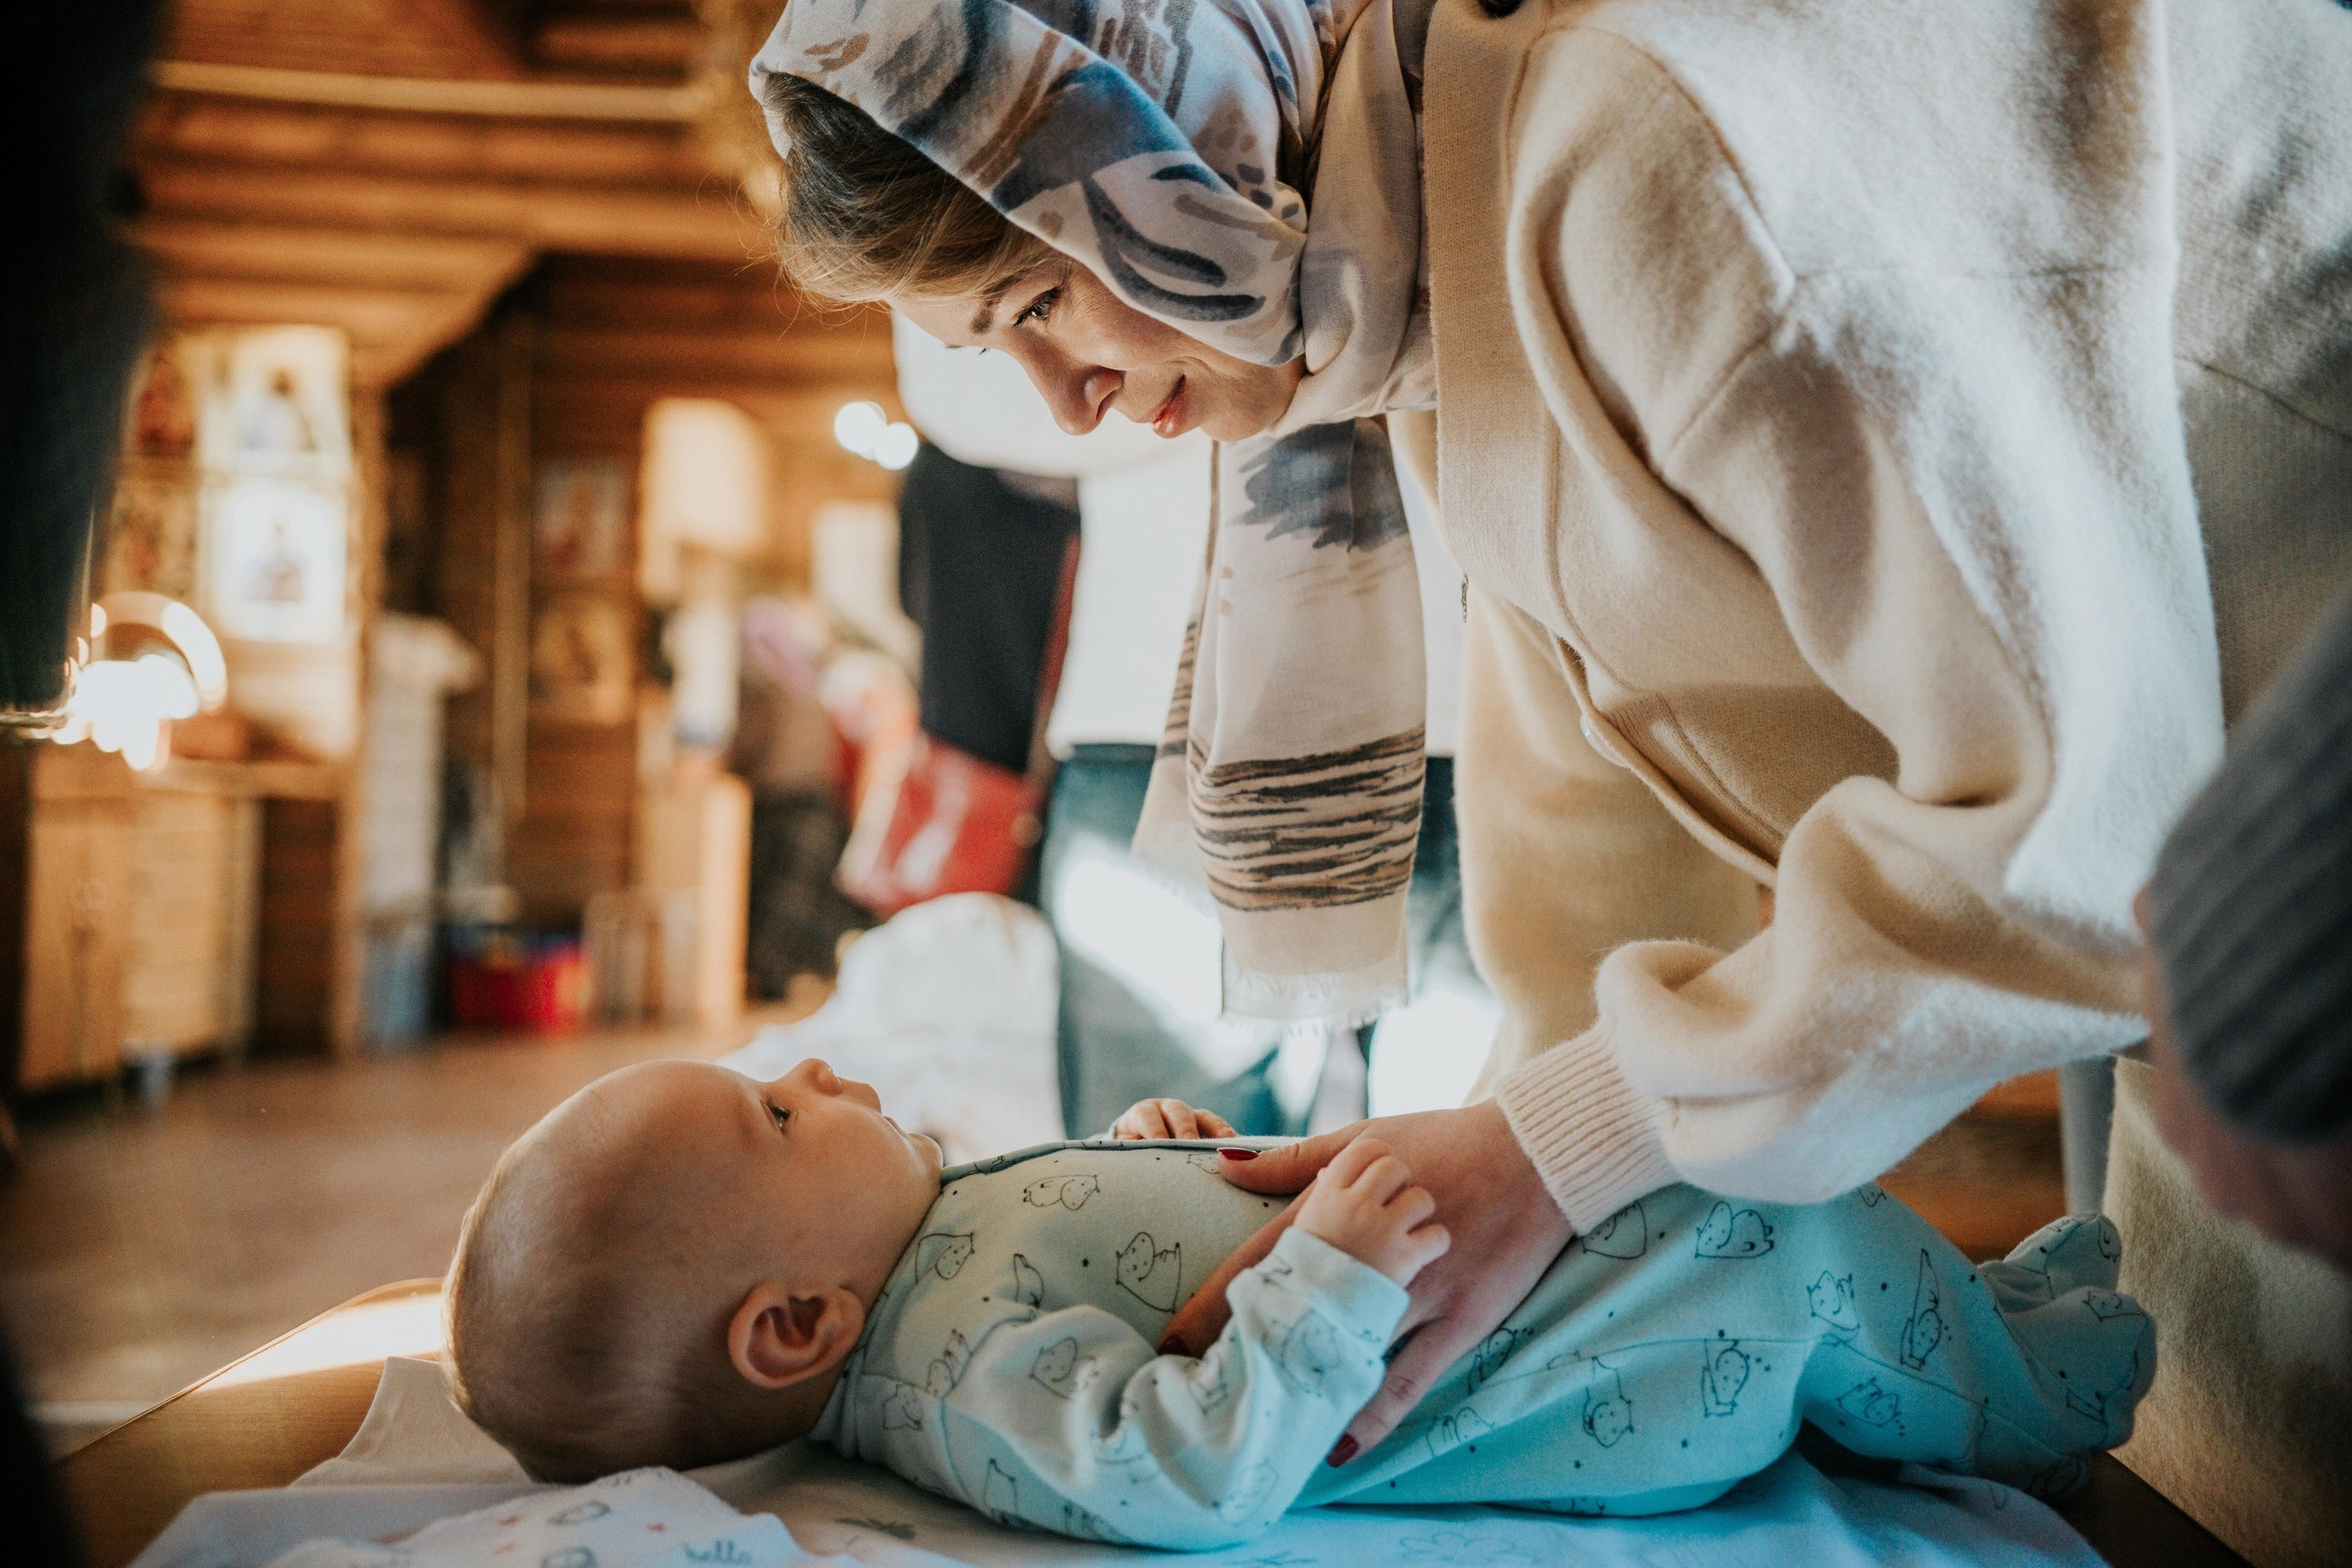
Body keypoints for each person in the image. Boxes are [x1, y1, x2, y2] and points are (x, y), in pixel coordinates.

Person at [747, 0, 2352, 1551]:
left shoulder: (1650, 158)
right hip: (2204, 950)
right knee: (2187, 1467)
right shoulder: (1442, 271)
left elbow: (2082, 841)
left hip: (2282, 881)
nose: (1068, 400)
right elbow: (1602, 828)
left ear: (1176, 127)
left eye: (1036, 303)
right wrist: (1507, 1218)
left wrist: (1553, 1153)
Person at [445, 1059, 2148, 1544]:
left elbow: (1125, 1285)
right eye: (777, 1113)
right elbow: (1177, 1469)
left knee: (1777, 1213)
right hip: (1593, 1369)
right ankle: (2051, 1401)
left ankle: (1986, 1315)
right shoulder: (952, 1381)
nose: (816, 1067)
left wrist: (1154, 1167)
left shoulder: (926, 1258)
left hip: (1563, 1283)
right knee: (1814, 1273)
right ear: (795, 1329)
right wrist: (1321, 1277)